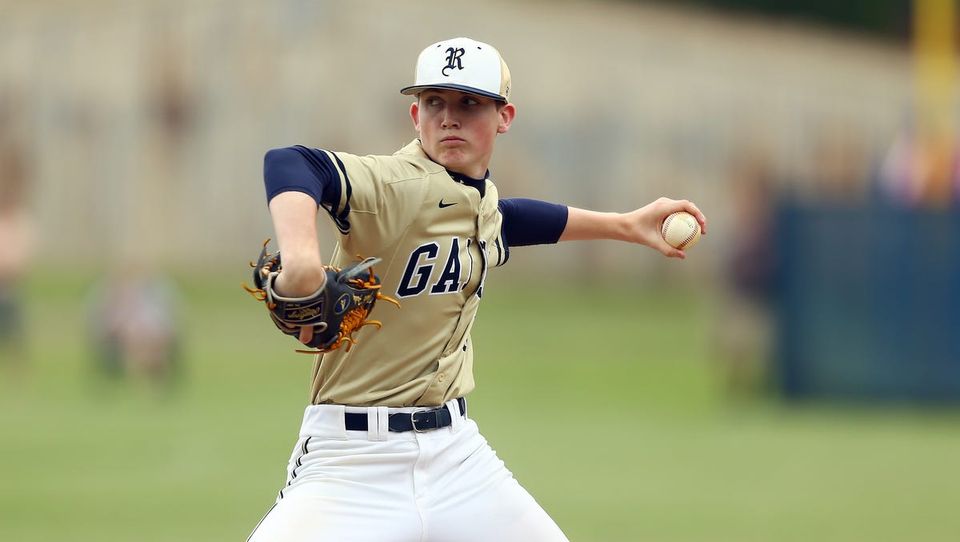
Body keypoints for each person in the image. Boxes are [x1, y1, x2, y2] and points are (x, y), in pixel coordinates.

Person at [247, 37, 707, 542]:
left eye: (469, 103)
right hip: (352, 460)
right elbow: (290, 162)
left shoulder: (476, 201)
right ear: (414, 115)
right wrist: (301, 265)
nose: (449, 118)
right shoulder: (397, 185)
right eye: (435, 103)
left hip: (456, 457)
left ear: (504, 116)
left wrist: (624, 225)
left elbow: (508, 221)